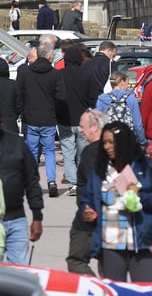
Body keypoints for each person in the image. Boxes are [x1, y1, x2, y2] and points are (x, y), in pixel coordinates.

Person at [0, 106, 43, 265]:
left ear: (0, 125)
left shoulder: (17, 144)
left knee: (19, 273)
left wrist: (37, 216)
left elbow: (31, 180)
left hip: (16, 218)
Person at [82, 121, 152, 282]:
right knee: (114, 291)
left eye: (111, 142)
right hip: (111, 244)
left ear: (123, 142)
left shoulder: (143, 167)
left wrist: (140, 194)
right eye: (104, 142)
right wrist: (86, 212)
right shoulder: (100, 171)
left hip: (140, 245)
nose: (107, 146)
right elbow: (88, 200)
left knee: (143, 291)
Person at [17, 39, 66, 198]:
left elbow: (21, 95)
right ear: (50, 57)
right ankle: (52, 181)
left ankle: (31, 182)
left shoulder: (26, 73)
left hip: (31, 117)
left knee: (32, 151)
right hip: (48, 118)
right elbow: (61, 97)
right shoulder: (55, 75)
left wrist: (22, 111)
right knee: (49, 151)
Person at [66, 109, 108, 275]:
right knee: (108, 267)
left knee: (76, 261)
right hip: (110, 219)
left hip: (91, 219)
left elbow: (95, 186)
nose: (80, 130)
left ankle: (99, 289)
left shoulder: (92, 152)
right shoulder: (116, 150)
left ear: (95, 127)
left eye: (83, 126)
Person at [57, 47, 94, 196]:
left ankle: (73, 184)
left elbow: (56, 97)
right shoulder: (87, 74)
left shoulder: (59, 75)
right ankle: (83, 181)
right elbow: (92, 97)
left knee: (67, 153)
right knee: (83, 153)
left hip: (65, 118)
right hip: (83, 119)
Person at [96, 71, 148, 147]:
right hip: (127, 141)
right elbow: (137, 125)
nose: (128, 87)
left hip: (109, 141)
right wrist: (143, 142)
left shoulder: (101, 99)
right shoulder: (131, 99)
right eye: (127, 84)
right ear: (121, 82)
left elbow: (98, 123)